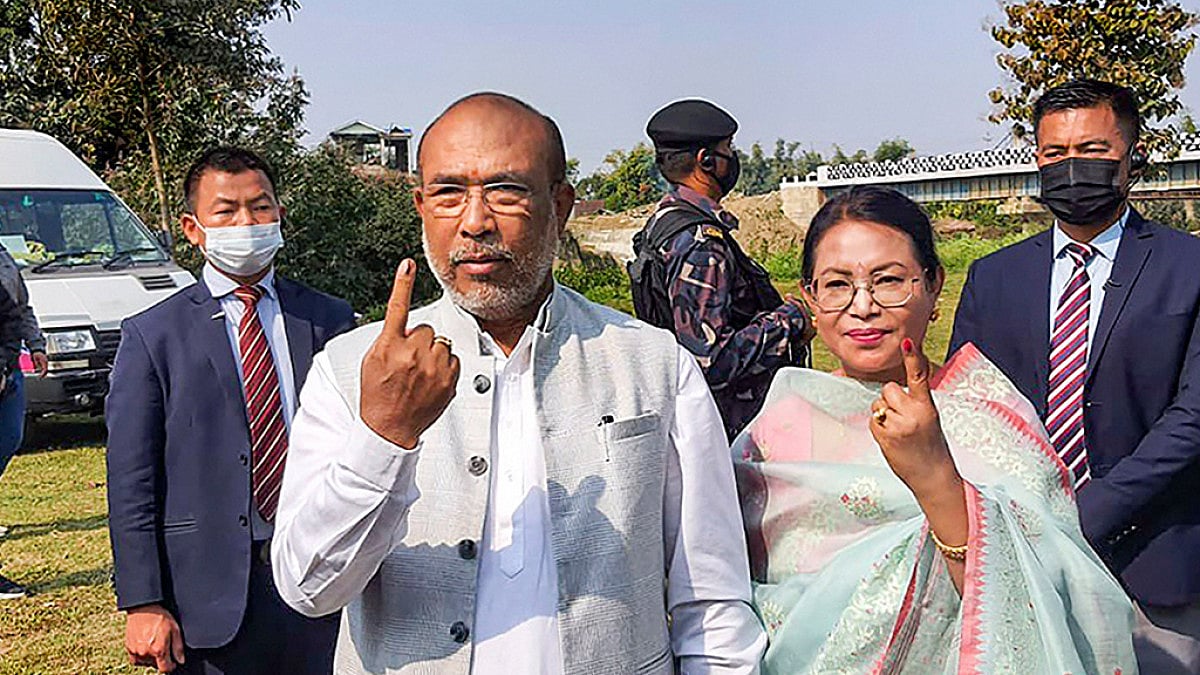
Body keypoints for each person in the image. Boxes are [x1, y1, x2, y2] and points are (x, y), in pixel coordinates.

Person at [271, 92, 766, 674]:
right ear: (421, 206)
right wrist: (384, 437)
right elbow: (309, 588)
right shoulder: (351, 368)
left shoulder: (654, 364)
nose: (474, 222)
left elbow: (711, 603)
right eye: (448, 193)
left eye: (506, 191)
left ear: (560, 205)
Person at [734, 185, 1135, 673]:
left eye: (888, 280)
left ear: (933, 285)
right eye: (837, 285)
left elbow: (1048, 594)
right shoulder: (777, 430)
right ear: (810, 299)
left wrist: (936, 478)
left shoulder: (987, 411)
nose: (863, 306)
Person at [949, 79, 1200, 673]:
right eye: (1055, 153)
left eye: (1092, 150)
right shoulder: (994, 277)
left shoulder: (1188, 266)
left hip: (1155, 562)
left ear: (1133, 155)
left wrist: (1089, 511)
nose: (1071, 167)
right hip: (1026, 558)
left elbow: (1193, 416)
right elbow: (969, 407)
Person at [105, 147, 356, 674]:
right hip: (207, 597)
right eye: (226, 211)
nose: (247, 223)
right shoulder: (154, 336)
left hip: (320, 577)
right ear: (193, 229)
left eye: (260, 207)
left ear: (280, 215)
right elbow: (132, 481)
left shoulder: (328, 320)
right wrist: (144, 601)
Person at [629, 99, 811, 440]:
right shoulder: (699, 241)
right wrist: (790, 321)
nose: (733, 157)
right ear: (707, 160)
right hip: (728, 430)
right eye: (728, 149)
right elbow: (710, 360)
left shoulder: (664, 222)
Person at [0, 254, 38, 600]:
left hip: (8, 373)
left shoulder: (4, 259)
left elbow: (14, 312)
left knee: (11, 439)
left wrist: (33, 345)